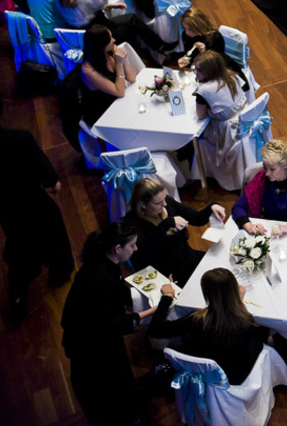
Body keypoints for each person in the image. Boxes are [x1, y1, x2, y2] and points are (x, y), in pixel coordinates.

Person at [0, 82, 73, 318]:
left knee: (18, 245)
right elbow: (51, 180)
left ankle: (18, 296)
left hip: (5, 209)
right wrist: (51, 184)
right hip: (35, 203)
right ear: (1, 108)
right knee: (54, 237)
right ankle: (59, 273)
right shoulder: (21, 139)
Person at [60, 222, 155, 426]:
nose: (136, 248)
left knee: (119, 376)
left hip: (92, 334)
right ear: (118, 248)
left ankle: (130, 405)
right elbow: (116, 323)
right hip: (92, 345)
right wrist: (153, 309)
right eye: (132, 245)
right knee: (110, 386)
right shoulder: (102, 279)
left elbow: (118, 295)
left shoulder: (103, 263)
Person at [148, 268, 270, 385]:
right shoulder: (246, 321)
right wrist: (238, 301)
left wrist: (167, 297)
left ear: (206, 293)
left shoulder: (196, 319)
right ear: (234, 290)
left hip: (202, 370)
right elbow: (255, 346)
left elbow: (155, 330)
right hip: (234, 376)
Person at [124, 178, 226, 284]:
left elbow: (197, 218)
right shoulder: (132, 223)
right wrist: (166, 224)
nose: (165, 204)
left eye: (164, 198)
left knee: (222, 270)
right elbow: (144, 255)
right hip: (168, 275)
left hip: (189, 258)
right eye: (158, 203)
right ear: (143, 204)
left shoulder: (168, 204)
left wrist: (211, 207)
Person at [231, 139, 287, 233]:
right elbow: (238, 207)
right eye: (265, 167)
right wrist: (250, 226)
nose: (267, 173)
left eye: (272, 169)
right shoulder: (260, 179)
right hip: (269, 228)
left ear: (285, 165)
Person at [194, 50, 251, 185]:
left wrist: (211, 111)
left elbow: (200, 115)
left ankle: (204, 173)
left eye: (199, 70)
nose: (195, 73)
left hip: (228, 133)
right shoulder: (232, 76)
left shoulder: (203, 91)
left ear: (209, 71)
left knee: (200, 137)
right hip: (246, 120)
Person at [79, 22, 138, 124]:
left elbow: (132, 77)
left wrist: (123, 60)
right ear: (101, 45)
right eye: (110, 39)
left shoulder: (108, 52)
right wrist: (119, 64)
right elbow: (120, 92)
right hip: (103, 111)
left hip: (117, 100)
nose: (114, 40)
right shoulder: (89, 71)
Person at [172, 6, 241, 71]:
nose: (187, 32)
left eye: (190, 29)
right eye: (185, 28)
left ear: (199, 26)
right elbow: (189, 55)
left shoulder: (215, 38)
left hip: (219, 68)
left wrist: (204, 53)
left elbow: (216, 64)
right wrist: (184, 60)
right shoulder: (186, 35)